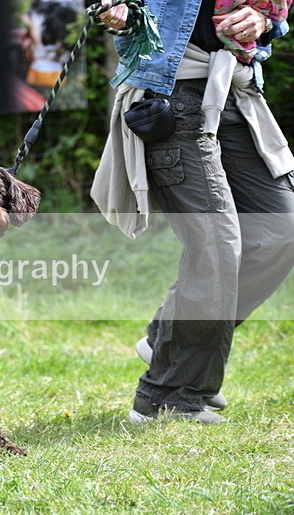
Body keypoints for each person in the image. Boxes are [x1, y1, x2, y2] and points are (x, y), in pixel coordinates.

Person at [90, 0, 294, 424]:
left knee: (280, 231)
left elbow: (272, 18)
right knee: (217, 246)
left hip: (234, 89)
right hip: (171, 95)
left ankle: (168, 335)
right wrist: (119, 9)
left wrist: (265, 20)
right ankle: (168, 398)